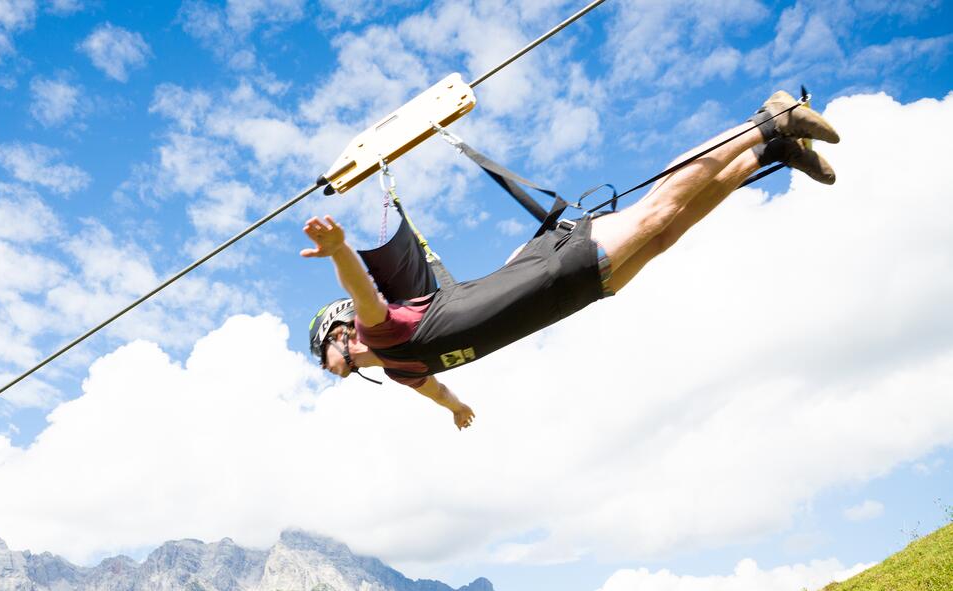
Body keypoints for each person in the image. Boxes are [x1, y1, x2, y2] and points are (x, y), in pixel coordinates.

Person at [303, 91, 839, 430]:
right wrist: (456, 409)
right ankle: (767, 154)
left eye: (320, 355)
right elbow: (436, 388)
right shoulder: (401, 370)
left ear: (338, 334)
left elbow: (364, 291)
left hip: (554, 268)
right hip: (571, 297)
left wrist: (339, 251)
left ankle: (769, 121)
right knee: (664, 235)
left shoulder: (380, 332)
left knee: (656, 213)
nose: (325, 371)